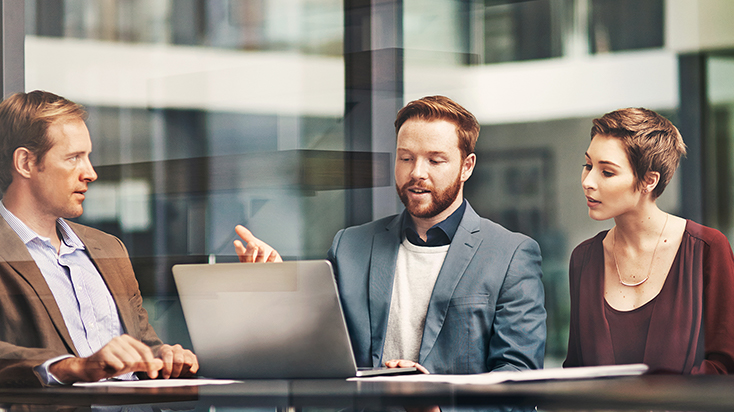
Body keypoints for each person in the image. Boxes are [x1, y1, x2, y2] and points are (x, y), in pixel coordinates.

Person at [234, 95, 546, 374]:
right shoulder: (349, 246)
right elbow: (312, 349)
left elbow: (517, 375)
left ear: (467, 167)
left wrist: (436, 405)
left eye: (435, 160)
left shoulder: (510, 255)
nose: (417, 173)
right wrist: (275, 288)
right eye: (405, 158)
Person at [0, 90, 198, 387]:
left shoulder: (108, 248)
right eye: (74, 158)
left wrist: (165, 357)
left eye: (88, 157)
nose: (90, 173)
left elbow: (143, 344)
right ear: (26, 163)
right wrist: (72, 367)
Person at [564, 107, 734, 374]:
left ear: (649, 180)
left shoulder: (707, 248)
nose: (588, 181)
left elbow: (725, 365)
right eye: (588, 166)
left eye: (607, 172)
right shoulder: (583, 259)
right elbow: (575, 369)